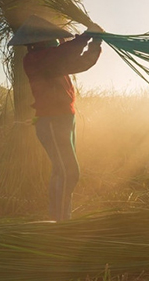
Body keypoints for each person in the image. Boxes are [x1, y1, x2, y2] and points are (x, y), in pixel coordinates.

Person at [8, 15, 103, 222]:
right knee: (69, 172)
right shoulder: (36, 60)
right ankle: (61, 223)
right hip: (52, 122)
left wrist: (95, 41)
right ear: (40, 42)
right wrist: (87, 35)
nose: (57, 42)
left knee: (61, 170)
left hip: (65, 119)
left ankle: (60, 216)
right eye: (53, 40)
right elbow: (65, 52)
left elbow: (83, 62)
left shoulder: (53, 61)